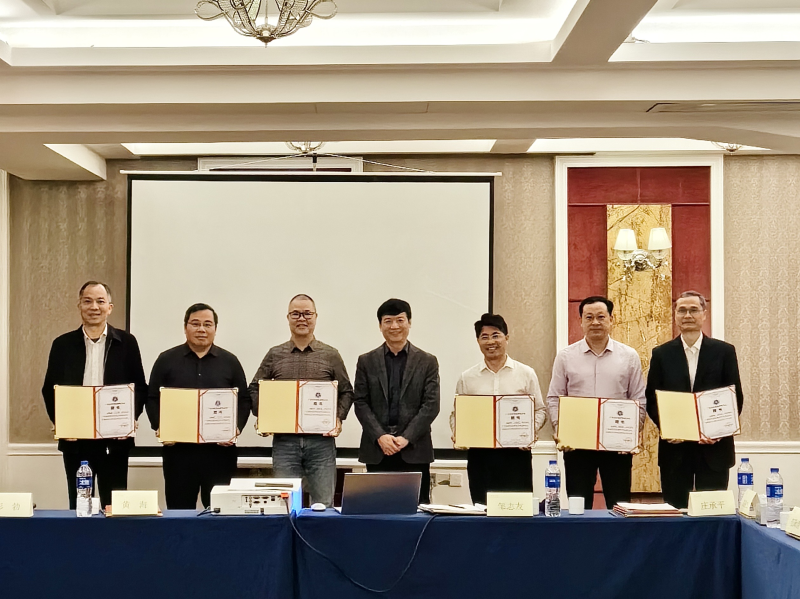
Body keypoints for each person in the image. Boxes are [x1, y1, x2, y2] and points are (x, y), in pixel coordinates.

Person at [42, 281, 147, 509]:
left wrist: (130, 418)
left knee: (114, 506)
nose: (94, 307)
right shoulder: (62, 345)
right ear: (79, 306)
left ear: (110, 307)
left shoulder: (127, 343)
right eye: (87, 301)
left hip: (115, 441)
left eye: (100, 301)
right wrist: (61, 422)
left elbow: (139, 387)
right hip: (76, 442)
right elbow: (50, 388)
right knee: (80, 505)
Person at [249, 294, 354, 507]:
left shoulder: (330, 355)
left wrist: (338, 417)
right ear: (288, 318)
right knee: (285, 505)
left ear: (316, 317)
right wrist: (266, 416)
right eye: (296, 314)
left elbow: (347, 391)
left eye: (307, 313)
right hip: (285, 443)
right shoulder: (275, 354)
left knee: (323, 505)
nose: (302, 319)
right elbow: (254, 388)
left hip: (321, 443)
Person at [146, 303, 250, 509]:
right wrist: (160, 427)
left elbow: (244, 400)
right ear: (185, 327)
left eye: (207, 324)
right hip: (179, 453)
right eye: (195, 324)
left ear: (215, 329)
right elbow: (152, 397)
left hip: (219, 454)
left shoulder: (230, 362)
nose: (201, 329)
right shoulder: (166, 360)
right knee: (179, 512)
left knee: (219, 513)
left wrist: (236, 428)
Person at [646, 290, 744, 509]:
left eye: (693, 310)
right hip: (675, 450)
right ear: (675, 315)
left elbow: (735, 397)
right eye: (682, 310)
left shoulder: (724, 352)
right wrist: (668, 428)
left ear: (704, 314)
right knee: (676, 514)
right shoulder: (661, 354)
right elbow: (652, 399)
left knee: (712, 514)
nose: (687, 315)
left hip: (714, 449)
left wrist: (718, 431)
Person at [546, 296, 646, 509]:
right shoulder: (565, 356)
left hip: (617, 444)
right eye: (589, 317)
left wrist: (631, 434)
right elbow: (554, 397)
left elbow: (638, 398)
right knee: (578, 505)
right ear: (580, 321)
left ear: (611, 319)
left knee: (619, 505)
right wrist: (560, 428)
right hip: (576, 443)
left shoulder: (629, 356)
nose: (595, 322)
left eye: (601, 317)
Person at [450, 313, 547, 504]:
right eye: (484, 337)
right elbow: (457, 414)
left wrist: (530, 432)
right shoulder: (467, 377)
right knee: (482, 511)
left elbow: (540, 410)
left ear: (506, 338)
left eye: (496, 335)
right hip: (480, 456)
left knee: (517, 511)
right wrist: (458, 433)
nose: (490, 342)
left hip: (516, 455)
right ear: (478, 341)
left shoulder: (526, 373)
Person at [354, 298, 440, 503]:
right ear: (380, 326)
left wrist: (406, 438)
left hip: (414, 450)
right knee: (377, 510)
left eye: (400, 320)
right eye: (388, 321)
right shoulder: (366, 361)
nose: (394, 326)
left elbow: (431, 405)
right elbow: (360, 402)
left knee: (417, 512)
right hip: (378, 450)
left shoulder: (427, 361)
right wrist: (380, 436)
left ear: (409, 323)